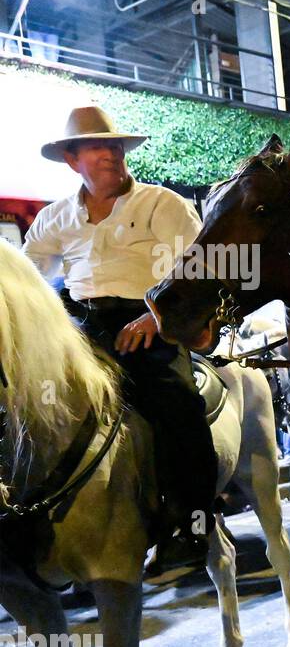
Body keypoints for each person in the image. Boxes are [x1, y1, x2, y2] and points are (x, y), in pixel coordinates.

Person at [23, 105, 215, 554]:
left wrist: (158, 318)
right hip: (80, 327)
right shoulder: (53, 219)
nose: (111, 153)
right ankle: (40, 522)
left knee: (178, 401)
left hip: (148, 319)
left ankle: (195, 521)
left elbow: (202, 268)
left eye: (114, 145)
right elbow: (30, 278)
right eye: (97, 147)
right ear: (73, 160)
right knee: (33, 405)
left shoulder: (161, 204)